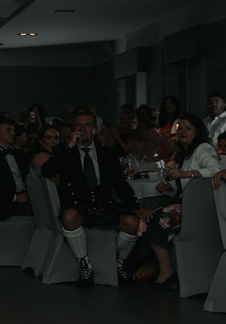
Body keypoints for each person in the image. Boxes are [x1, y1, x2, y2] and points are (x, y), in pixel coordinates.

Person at [41, 109, 151, 287]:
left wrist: (136, 207)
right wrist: (69, 146)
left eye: (87, 125)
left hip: (103, 206)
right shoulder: (64, 151)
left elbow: (120, 184)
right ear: (73, 128)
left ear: (95, 129)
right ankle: (85, 266)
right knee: (69, 217)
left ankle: (118, 263)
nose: (82, 129)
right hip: (78, 207)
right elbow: (47, 171)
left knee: (132, 222)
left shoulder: (107, 153)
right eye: (78, 125)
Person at [138, 113, 221, 288]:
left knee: (154, 218)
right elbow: (186, 185)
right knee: (146, 215)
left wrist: (184, 173)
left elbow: (215, 170)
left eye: (188, 128)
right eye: (180, 128)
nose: (183, 132)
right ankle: (166, 269)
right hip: (186, 203)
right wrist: (171, 186)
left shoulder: (203, 148)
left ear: (197, 131)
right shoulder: (185, 152)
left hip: (199, 208)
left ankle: (166, 271)